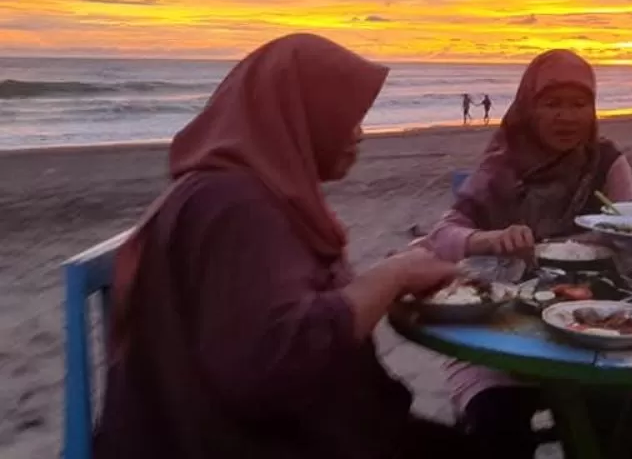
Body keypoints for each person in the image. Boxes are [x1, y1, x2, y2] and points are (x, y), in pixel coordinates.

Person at [93, 33, 477, 459]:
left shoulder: (248, 191)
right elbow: (273, 366)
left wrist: (390, 277)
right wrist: (394, 275)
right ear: (297, 117)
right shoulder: (234, 206)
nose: (359, 134)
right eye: (344, 118)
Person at [423, 49, 632, 458]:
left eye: (579, 104)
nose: (567, 117)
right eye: (552, 104)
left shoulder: (605, 161)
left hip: (593, 325)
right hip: (501, 330)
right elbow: (442, 235)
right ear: (529, 107)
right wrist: (490, 240)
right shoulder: (500, 166)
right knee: (496, 423)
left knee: (621, 414)